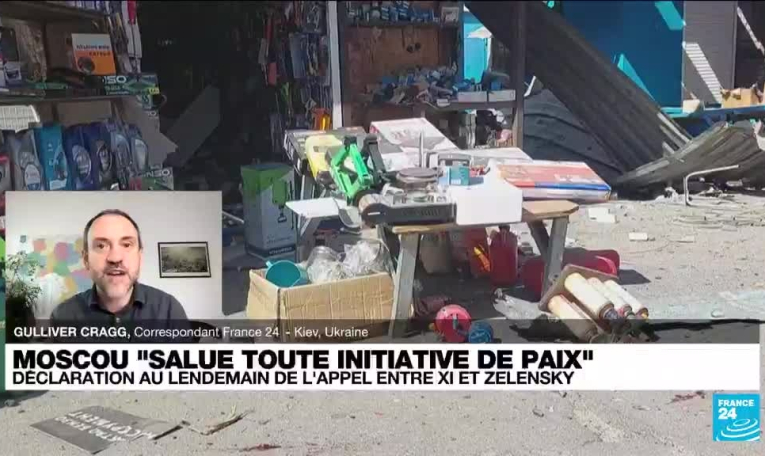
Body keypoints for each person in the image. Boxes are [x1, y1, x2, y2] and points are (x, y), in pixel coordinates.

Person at [50, 209, 190, 342]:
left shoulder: (169, 310)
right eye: (101, 246)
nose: (115, 258)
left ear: (140, 256)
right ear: (86, 260)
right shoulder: (62, 316)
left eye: (127, 245)